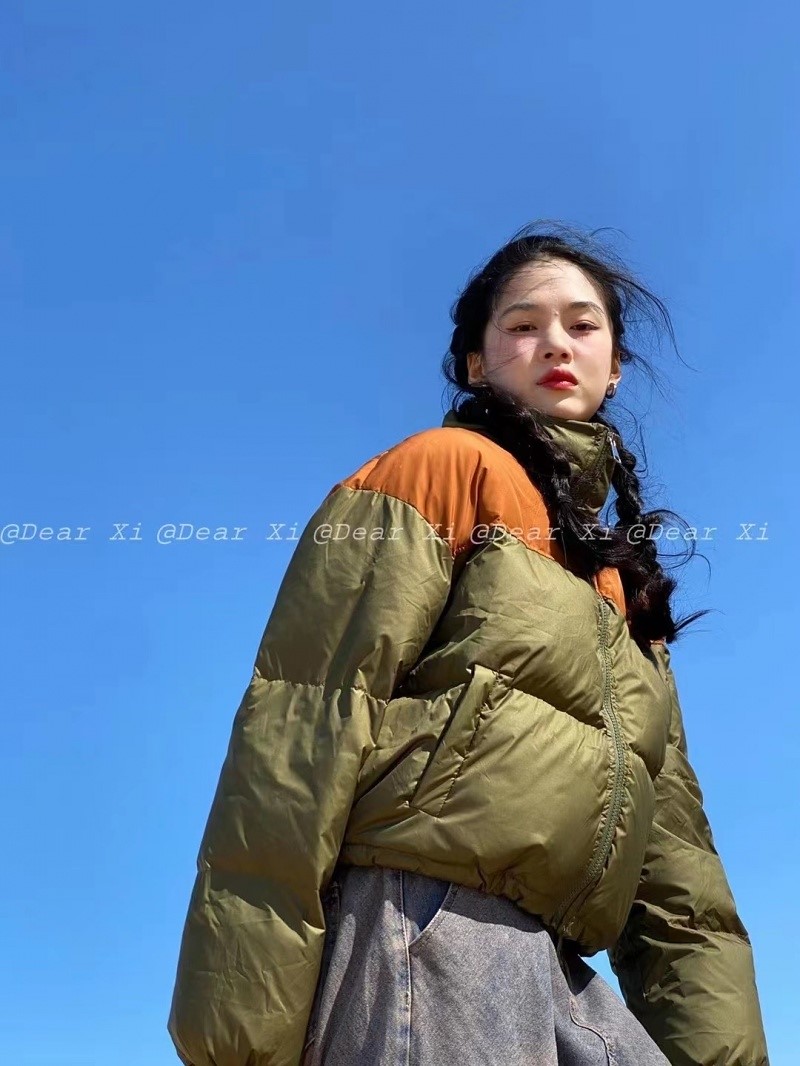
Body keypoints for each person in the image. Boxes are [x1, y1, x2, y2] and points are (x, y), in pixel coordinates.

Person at [167, 223, 769, 1066]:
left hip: (558, 958)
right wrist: (242, 1033)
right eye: (523, 325)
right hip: (419, 920)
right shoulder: (439, 470)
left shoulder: (623, 587)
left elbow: (679, 878)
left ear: (615, 366)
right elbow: (304, 724)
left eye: (582, 324)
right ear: (477, 364)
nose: (554, 342)